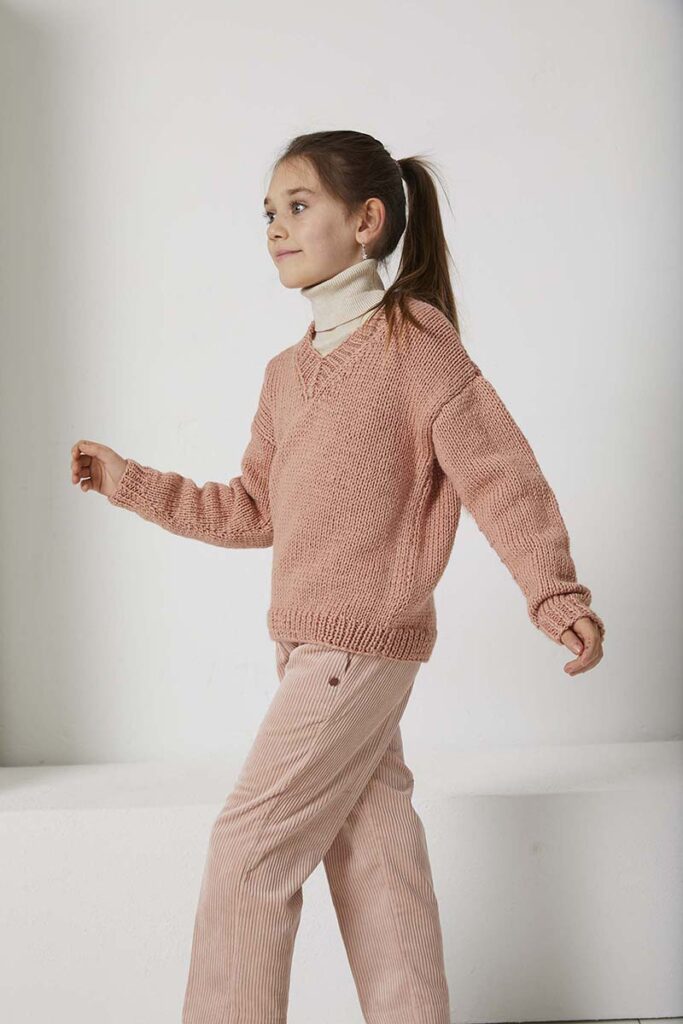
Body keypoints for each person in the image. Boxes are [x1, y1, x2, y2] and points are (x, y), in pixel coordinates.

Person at [70, 130, 605, 1024]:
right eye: (267, 213)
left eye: (297, 205)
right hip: (310, 653)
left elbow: (500, 473)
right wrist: (130, 482)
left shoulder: (416, 343)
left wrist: (553, 593)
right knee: (376, 858)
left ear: (366, 221)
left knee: (248, 849)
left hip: (353, 649)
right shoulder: (285, 376)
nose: (276, 227)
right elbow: (251, 510)